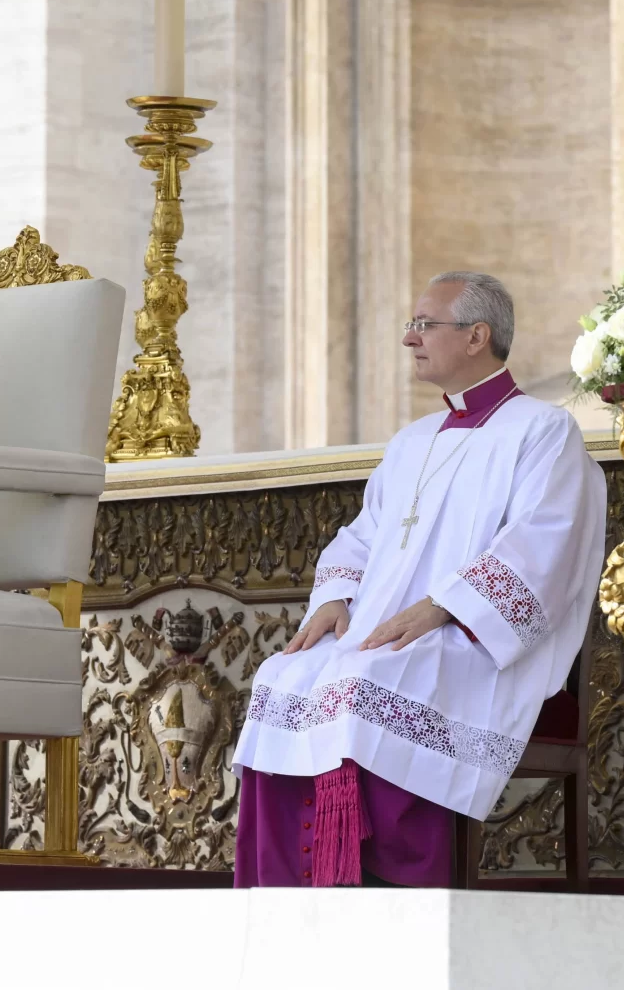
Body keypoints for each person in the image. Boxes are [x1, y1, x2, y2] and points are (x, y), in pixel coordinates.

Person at [231, 273, 605, 888]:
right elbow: (362, 534)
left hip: (474, 641)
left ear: (476, 336)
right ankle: (284, 900)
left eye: (423, 324)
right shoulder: (412, 442)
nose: (410, 339)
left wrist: (445, 607)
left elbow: (547, 545)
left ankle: (388, 889)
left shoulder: (542, 430)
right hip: (387, 632)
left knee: (362, 682)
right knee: (282, 677)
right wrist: (334, 597)